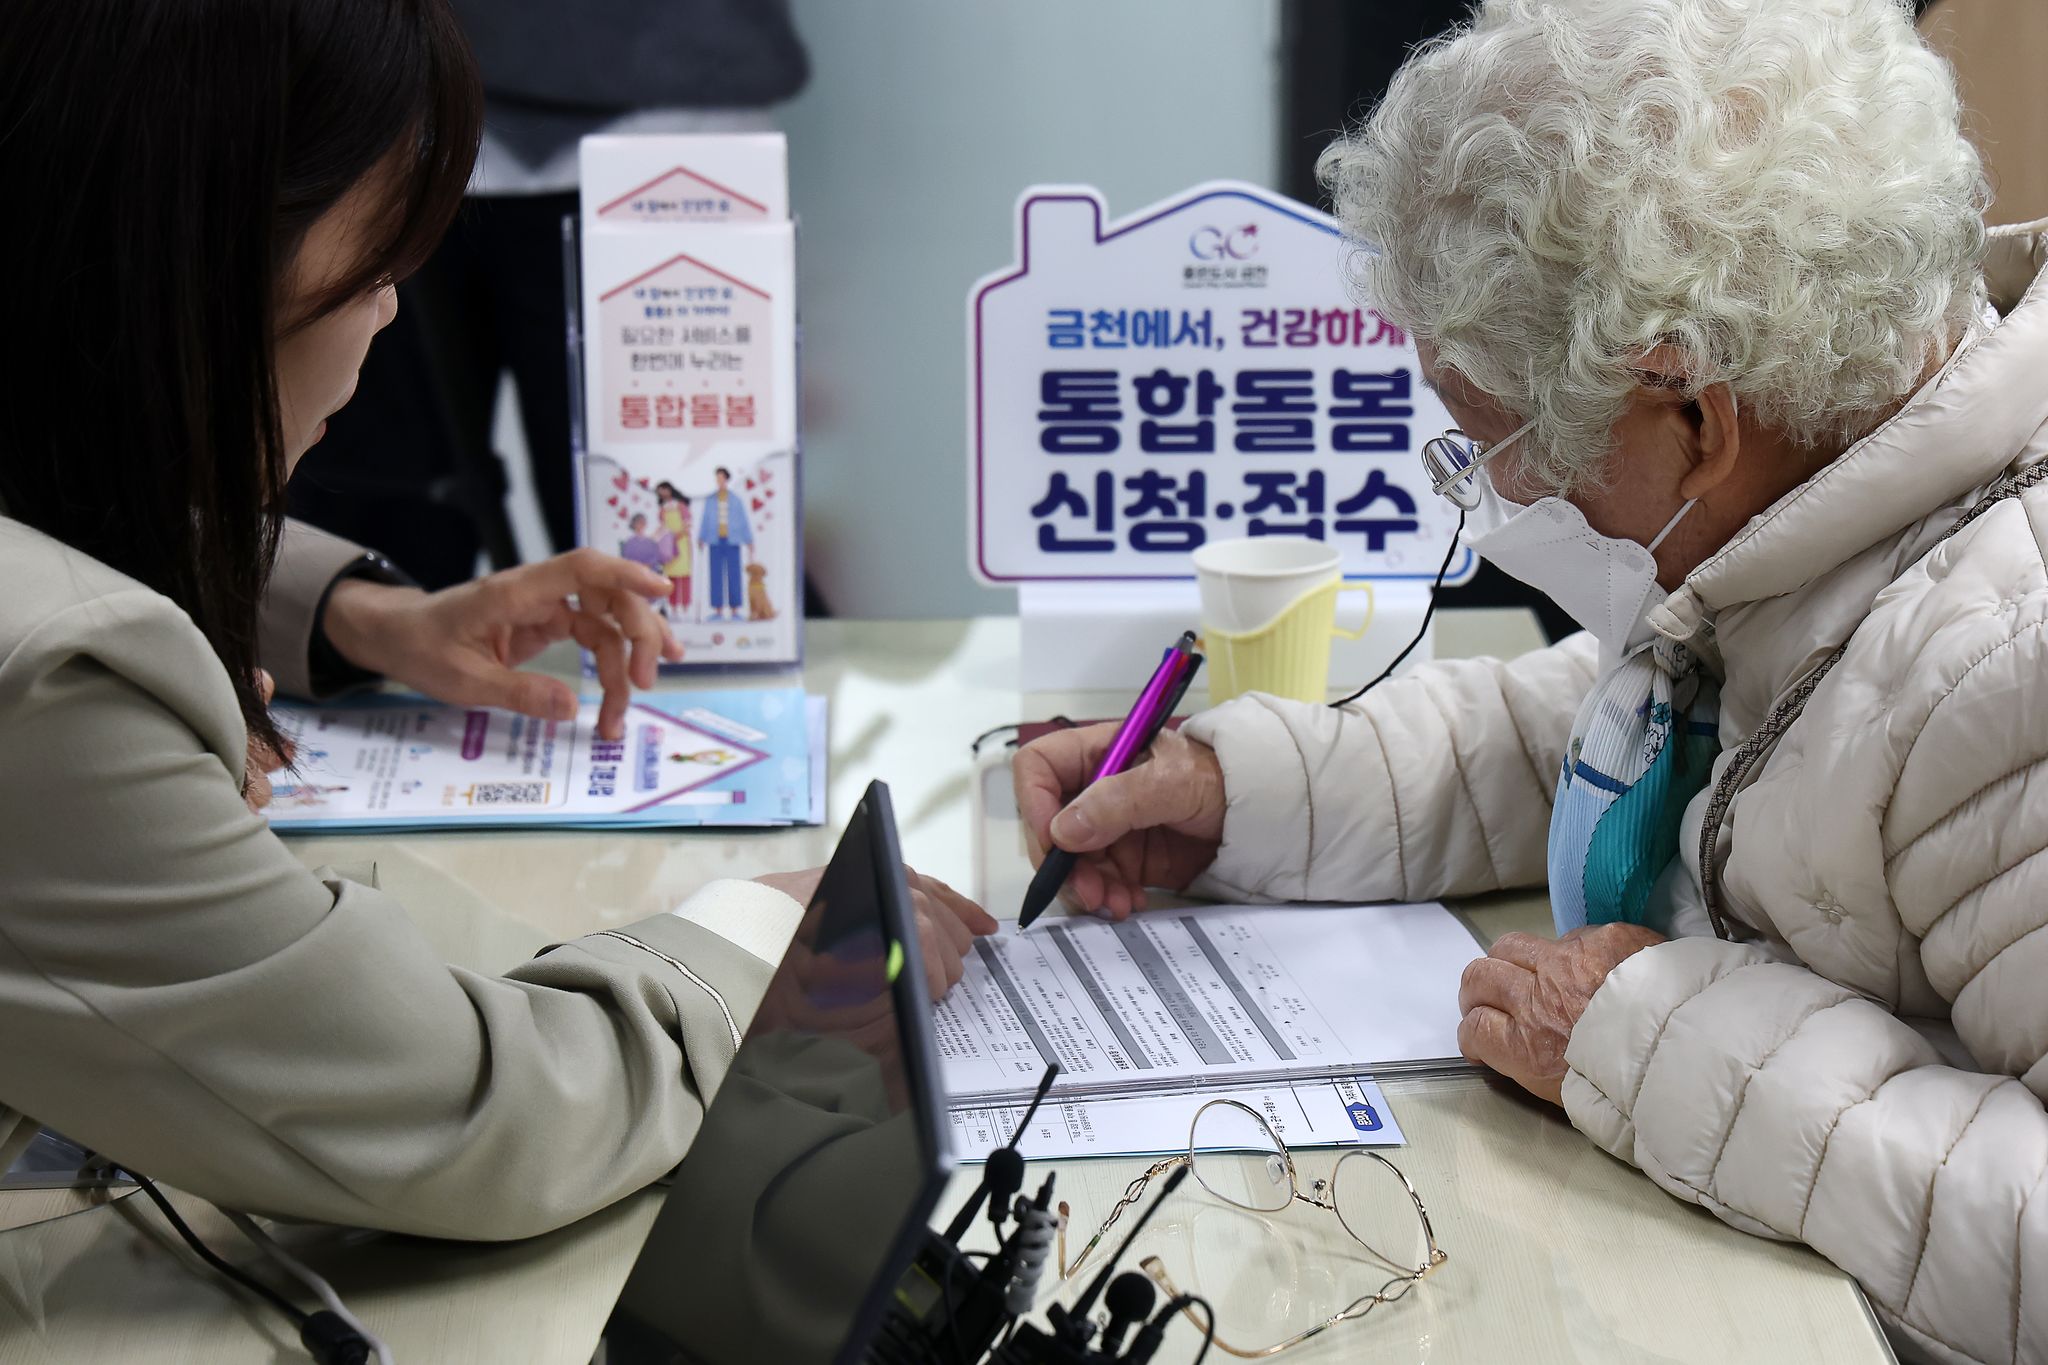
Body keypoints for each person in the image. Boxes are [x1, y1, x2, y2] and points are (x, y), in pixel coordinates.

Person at [1015, 1, 2048, 1359]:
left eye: (1488, 443)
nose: (1495, 494)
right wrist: (1235, 789)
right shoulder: (1821, 482)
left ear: (1691, 411)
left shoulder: (2003, 671)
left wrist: (1644, 1042)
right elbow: (1633, 735)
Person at [0, 0, 992, 1240]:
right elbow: (481, 1115)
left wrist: (355, 612)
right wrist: (763, 938)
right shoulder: (60, 685)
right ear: (192, 268)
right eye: (373, 268)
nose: (389, 314)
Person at [697, 465, 754, 622]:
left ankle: (735, 610)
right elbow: (705, 519)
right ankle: (718, 610)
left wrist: (749, 540)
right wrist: (701, 537)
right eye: (717, 478)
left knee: (734, 575)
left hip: (732, 541)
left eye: (721, 478)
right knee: (715, 575)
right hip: (715, 541)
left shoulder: (736, 500)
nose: (719, 481)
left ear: (727, 479)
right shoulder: (710, 500)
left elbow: (743, 521)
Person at [657, 481, 695, 621]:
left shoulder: (681, 506)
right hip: (668, 546)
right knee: (671, 577)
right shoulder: (663, 509)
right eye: (660, 491)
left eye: (663, 490)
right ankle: (673, 608)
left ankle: (685, 608)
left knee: (684, 576)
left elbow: (687, 525)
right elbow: (662, 527)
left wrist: (676, 536)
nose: (662, 493)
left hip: (682, 543)